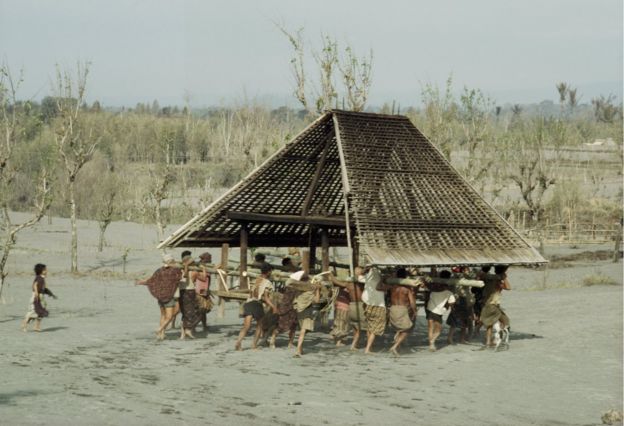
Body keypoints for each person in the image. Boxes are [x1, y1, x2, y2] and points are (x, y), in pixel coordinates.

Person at [136, 254, 182, 340]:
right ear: (171, 261)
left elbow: (151, 280)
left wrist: (142, 282)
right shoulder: (175, 270)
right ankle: (160, 329)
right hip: (169, 296)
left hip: (160, 296)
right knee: (170, 316)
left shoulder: (159, 271)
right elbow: (180, 277)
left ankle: (161, 335)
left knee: (163, 315)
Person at [235, 263, 277, 351]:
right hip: (257, 304)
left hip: (248, 303)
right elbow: (266, 298)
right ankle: (254, 345)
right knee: (259, 326)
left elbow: (251, 292)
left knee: (246, 326)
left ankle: (238, 342)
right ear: (268, 272)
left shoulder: (256, 279)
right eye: (271, 271)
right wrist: (273, 307)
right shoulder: (267, 283)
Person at [329, 267, 367, 350]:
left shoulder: (350, 284)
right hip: (353, 305)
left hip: (350, 305)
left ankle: (348, 342)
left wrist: (331, 276)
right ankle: (354, 344)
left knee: (347, 324)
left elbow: (337, 282)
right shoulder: (361, 284)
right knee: (354, 326)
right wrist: (331, 276)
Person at [385, 268, 418, 356]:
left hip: (393, 308)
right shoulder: (407, 289)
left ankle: (398, 346)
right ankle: (395, 346)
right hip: (402, 309)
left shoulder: (392, 287)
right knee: (407, 329)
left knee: (399, 328)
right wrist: (415, 311)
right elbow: (412, 302)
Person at [480, 265, 511, 347]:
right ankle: (497, 339)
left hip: (487, 304)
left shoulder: (489, 279)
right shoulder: (497, 281)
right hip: (493, 305)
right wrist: (504, 278)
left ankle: (488, 342)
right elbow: (508, 287)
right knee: (506, 321)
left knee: (489, 325)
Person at [269, 271, 302, 349]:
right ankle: (288, 343)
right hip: (290, 308)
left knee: (285, 326)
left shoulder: (287, 287)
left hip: (288, 308)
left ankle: (274, 341)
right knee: (285, 326)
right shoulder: (295, 288)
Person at [425, 270, 456, 351]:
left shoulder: (433, 287)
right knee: (438, 330)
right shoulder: (448, 292)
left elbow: (426, 284)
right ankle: (432, 342)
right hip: (438, 312)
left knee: (430, 328)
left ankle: (431, 345)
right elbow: (452, 302)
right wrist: (448, 307)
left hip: (429, 309)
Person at [21, 263, 57, 332]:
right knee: (32, 311)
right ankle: (24, 325)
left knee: (41, 312)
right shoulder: (39, 278)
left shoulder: (42, 278)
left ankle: (37, 327)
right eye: (45, 270)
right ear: (41, 271)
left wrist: (51, 294)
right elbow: (35, 285)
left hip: (41, 296)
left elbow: (44, 288)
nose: (46, 271)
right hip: (36, 296)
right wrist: (36, 293)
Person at [292, 272, 321, 357]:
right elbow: (317, 300)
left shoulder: (298, 291)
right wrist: (317, 290)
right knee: (303, 331)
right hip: (307, 312)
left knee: (303, 330)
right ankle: (298, 350)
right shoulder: (309, 292)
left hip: (299, 312)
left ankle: (300, 349)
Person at [361, 265, 387, 354]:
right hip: (378, 305)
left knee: (370, 327)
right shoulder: (378, 278)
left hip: (368, 304)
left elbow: (360, 275)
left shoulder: (367, 278)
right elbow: (379, 287)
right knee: (375, 328)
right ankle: (367, 349)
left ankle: (369, 347)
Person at [177, 251, 202, 340]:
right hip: (186, 291)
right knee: (191, 312)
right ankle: (187, 329)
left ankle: (183, 333)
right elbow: (186, 276)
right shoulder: (181, 269)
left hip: (187, 291)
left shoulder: (190, 268)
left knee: (186, 313)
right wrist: (186, 266)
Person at [191, 252, 213, 332]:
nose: (210, 260)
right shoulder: (200, 268)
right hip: (199, 292)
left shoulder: (206, 267)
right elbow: (203, 278)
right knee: (201, 311)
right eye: (209, 259)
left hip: (204, 291)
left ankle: (204, 326)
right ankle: (192, 327)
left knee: (203, 311)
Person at [329, 279, 351, 347]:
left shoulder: (340, 289)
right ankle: (338, 342)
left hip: (338, 306)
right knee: (342, 325)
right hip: (345, 307)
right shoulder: (348, 288)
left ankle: (334, 335)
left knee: (338, 323)